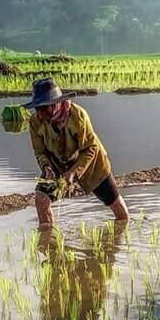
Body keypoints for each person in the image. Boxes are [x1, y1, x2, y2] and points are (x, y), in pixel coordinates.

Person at [24, 77, 129, 227]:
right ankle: (49, 241)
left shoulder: (78, 116)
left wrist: (74, 172)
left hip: (92, 165)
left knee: (118, 208)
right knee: (41, 198)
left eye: (43, 108)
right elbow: (40, 151)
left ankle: (122, 235)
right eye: (37, 109)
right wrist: (47, 168)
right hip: (57, 165)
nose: (39, 114)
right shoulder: (35, 122)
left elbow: (90, 148)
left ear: (54, 104)